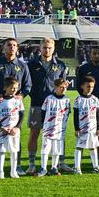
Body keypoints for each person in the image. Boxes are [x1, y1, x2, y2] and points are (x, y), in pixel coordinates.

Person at [27, 38, 70, 175]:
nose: (47, 50)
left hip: (55, 107)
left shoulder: (61, 65)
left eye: (50, 48)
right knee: (34, 133)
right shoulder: (31, 64)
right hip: (37, 104)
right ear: (40, 48)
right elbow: (27, 83)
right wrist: (34, 95)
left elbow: (63, 84)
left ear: (54, 48)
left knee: (59, 134)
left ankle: (60, 163)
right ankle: (32, 164)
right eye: (45, 47)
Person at [75, 46, 99, 163]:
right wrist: (87, 99)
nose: (96, 55)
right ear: (90, 54)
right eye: (94, 53)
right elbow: (79, 86)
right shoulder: (83, 68)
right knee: (82, 132)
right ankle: (79, 161)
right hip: (85, 107)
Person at [0, 76, 25, 179]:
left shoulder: (18, 100)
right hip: (2, 130)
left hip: (14, 130)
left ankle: (13, 172)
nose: (14, 90)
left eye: (16, 88)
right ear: (5, 87)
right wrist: (1, 127)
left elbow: (22, 114)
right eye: (12, 87)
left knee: (14, 151)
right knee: (1, 151)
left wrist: (17, 127)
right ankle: (0, 172)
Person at [39, 77, 71, 177]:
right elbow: (43, 112)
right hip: (48, 128)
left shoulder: (67, 100)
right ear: (55, 87)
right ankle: (43, 168)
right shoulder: (49, 99)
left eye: (65, 87)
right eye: (61, 87)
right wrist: (43, 125)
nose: (63, 89)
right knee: (45, 149)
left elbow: (67, 114)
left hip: (60, 129)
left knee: (57, 150)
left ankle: (54, 167)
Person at [73, 76, 99, 174]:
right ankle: (77, 168)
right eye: (88, 86)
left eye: (92, 87)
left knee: (93, 147)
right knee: (79, 147)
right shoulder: (78, 100)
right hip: (82, 128)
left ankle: (95, 166)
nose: (90, 88)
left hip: (93, 128)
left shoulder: (95, 99)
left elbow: (98, 114)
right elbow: (75, 115)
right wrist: (76, 129)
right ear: (82, 86)